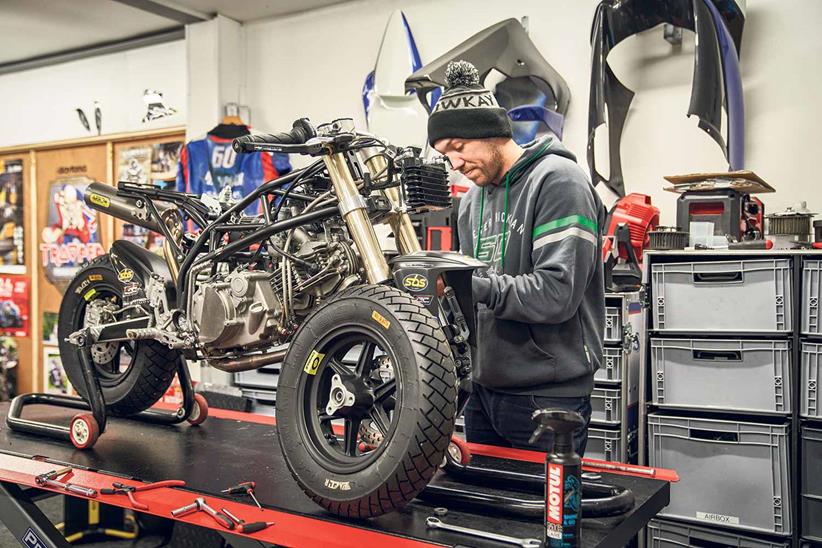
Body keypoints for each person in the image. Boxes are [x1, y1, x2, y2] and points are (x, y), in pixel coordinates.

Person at [428, 61, 605, 455]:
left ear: (491, 132)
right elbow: (473, 296)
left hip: (547, 396)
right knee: (487, 514)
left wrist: (465, 284)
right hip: (484, 393)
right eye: (445, 155)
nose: (454, 165)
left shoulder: (559, 181)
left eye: (458, 147)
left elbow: (556, 293)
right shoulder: (471, 202)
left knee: (546, 515)